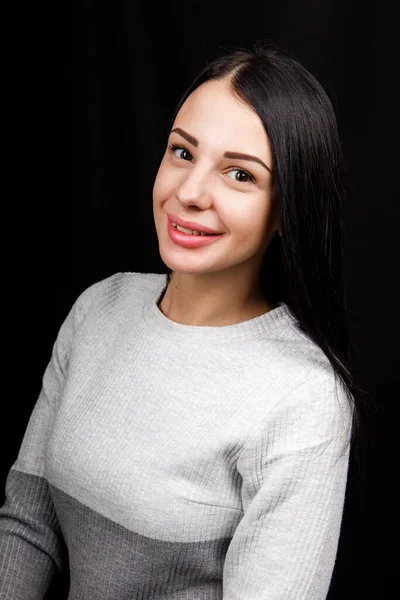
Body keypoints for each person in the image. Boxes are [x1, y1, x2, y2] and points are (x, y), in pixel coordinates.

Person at [0, 42, 371, 600]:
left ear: (286, 212)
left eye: (240, 175)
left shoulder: (304, 397)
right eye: (181, 152)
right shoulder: (97, 310)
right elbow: (27, 527)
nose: (190, 193)